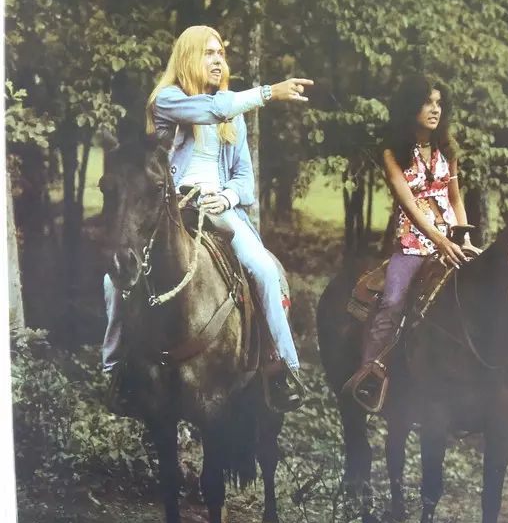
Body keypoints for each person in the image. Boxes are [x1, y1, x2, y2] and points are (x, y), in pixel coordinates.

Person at [103, 25, 313, 413]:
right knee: (114, 280)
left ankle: (281, 367)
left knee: (264, 270)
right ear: (188, 58)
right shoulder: (167, 100)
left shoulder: (233, 114)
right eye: (209, 53)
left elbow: (244, 178)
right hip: (170, 211)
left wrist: (227, 196)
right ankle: (118, 369)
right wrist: (269, 92)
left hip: (220, 211)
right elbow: (211, 110)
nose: (219, 61)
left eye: (222, 54)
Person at [344, 74, 478, 412]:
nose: (435, 109)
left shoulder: (448, 149)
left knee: (488, 288)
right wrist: (439, 241)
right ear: (410, 106)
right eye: (427, 102)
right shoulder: (393, 153)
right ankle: (371, 374)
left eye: (439, 103)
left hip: (452, 240)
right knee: (392, 302)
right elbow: (409, 206)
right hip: (413, 244)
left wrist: (463, 237)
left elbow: (455, 197)